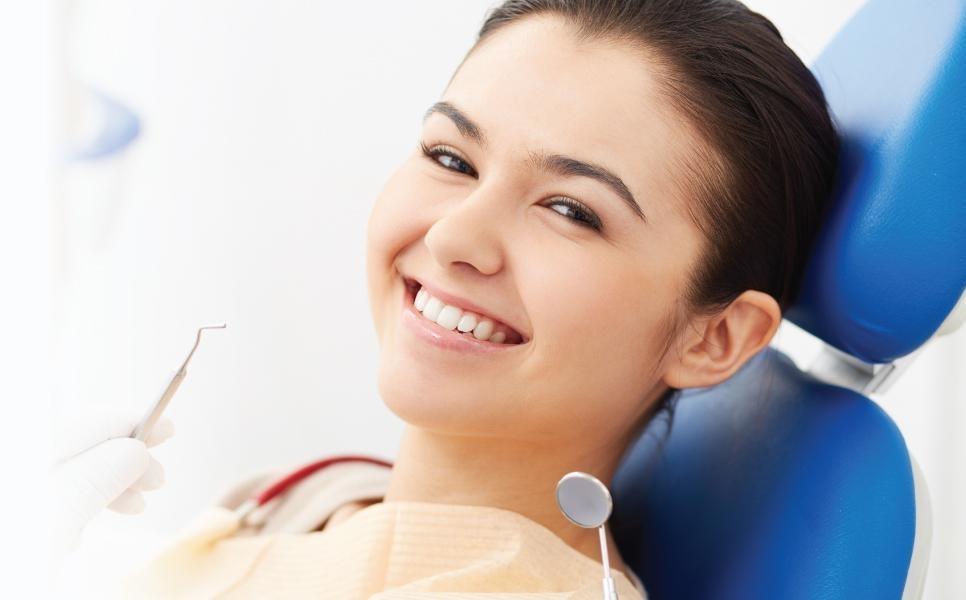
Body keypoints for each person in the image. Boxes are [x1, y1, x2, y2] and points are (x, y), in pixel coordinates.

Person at [54, 0, 841, 596]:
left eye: (570, 210)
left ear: (715, 339)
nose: (457, 234)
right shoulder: (326, 492)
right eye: (450, 156)